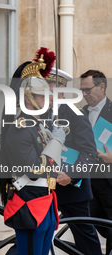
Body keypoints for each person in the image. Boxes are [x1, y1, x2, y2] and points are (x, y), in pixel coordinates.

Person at [0, 48, 63, 255]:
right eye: (41, 96)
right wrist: (55, 144)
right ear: (28, 99)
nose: (48, 99)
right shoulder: (20, 128)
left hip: (45, 199)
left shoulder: (37, 126)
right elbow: (34, 170)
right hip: (29, 201)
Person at [46, 68, 102, 254]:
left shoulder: (75, 114)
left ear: (61, 88)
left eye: (49, 85)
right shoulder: (39, 113)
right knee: (36, 232)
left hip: (72, 189)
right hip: (43, 186)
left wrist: (70, 175)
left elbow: (89, 152)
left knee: (85, 237)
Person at [80, 69, 112, 255]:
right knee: (84, 225)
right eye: (82, 91)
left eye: (88, 90)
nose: (84, 94)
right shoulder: (80, 114)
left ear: (102, 87)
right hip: (86, 181)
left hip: (108, 183)